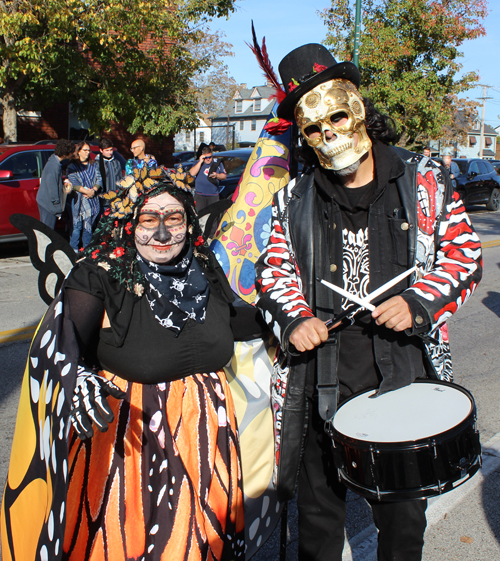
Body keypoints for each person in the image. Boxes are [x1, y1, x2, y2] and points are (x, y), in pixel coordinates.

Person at [254, 44, 482, 561]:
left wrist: (419, 303)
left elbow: (465, 256)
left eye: (336, 115)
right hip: (320, 375)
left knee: (402, 523)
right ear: (305, 139)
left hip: (402, 366)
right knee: (318, 521)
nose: (329, 133)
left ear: (357, 106)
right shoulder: (292, 199)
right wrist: (295, 319)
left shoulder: (425, 179)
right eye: (313, 128)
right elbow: (274, 272)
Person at [2, 166, 249, 561]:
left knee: (204, 543)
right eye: (149, 219)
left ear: (189, 221)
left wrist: (289, 319)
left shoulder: (204, 269)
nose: (163, 234)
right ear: (128, 223)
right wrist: (79, 379)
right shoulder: (99, 274)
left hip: (205, 433)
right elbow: (63, 344)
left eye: (175, 219)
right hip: (132, 441)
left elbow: (240, 322)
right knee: (135, 542)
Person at [66, 141, 101, 251]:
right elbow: (73, 182)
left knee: (88, 227)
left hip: (92, 200)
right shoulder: (73, 166)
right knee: (77, 226)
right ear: (79, 151)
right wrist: (86, 191)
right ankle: (73, 250)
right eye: (85, 150)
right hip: (78, 201)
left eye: (88, 150)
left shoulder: (93, 164)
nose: (87, 152)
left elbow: (99, 179)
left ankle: (87, 250)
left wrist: (93, 190)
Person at [36, 138, 75, 228]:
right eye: (71, 152)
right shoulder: (54, 166)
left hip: (45, 202)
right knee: (48, 232)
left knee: (46, 230)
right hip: (48, 204)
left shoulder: (54, 162)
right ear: (65, 154)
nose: (72, 154)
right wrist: (57, 207)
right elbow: (52, 187)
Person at [189, 146, 227, 212]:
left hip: (213, 195)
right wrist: (200, 162)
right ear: (202, 157)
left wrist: (217, 175)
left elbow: (224, 176)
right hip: (200, 195)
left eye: (210, 157)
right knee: (200, 217)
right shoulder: (197, 163)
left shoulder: (217, 163)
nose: (208, 159)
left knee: (213, 217)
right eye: (206, 157)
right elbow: (192, 173)